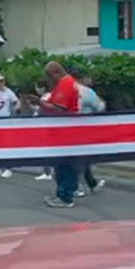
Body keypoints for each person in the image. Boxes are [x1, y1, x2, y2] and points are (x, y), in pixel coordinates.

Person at [40, 61, 81, 208]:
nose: (50, 79)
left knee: (64, 166)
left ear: (56, 72)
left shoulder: (65, 84)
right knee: (65, 165)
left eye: (50, 76)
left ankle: (65, 196)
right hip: (65, 131)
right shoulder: (67, 83)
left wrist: (42, 103)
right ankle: (65, 193)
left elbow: (59, 108)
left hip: (65, 132)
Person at [74, 71, 106, 197]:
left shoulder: (58, 91)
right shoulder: (87, 92)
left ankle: (91, 183)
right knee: (79, 159)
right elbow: (98, 108)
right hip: (82, 130)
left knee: (79, 159)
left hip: (63, 130)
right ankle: (76, 186)